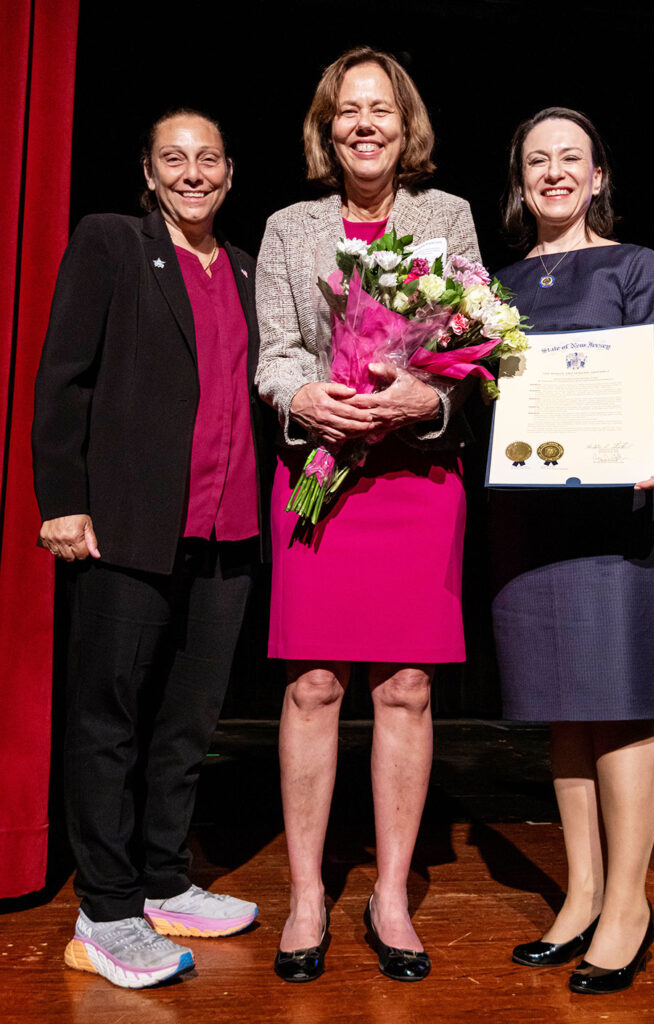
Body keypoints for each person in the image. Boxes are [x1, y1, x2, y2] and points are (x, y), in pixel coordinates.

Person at [32, 109, 271, 989]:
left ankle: (164, 878)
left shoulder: (248, 269)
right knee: (110, 720)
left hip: (230, 526)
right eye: (175, 159)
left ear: (231, 172)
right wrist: (62, 499)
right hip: (129, 523)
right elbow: (63, 375)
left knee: (189, 723)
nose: (193, 172)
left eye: (208, 158)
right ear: (149, 170)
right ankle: (105, 907)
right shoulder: (111, 243)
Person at [255, 46, 480, 983]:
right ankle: (308, 895)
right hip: (320, 472)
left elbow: (474, 345)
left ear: (404, 121)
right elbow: (272, 353)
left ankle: (389, 895)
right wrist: (305, 397)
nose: (364, 124)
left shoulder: (447, 216)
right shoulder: (288, 225)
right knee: (312, 684)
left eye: (379, 109)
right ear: (326, 125)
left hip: (413, 482)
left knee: (406, 689)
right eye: (347, 110)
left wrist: (421, 402)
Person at [490, 107, 654, 994]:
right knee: (563, 710)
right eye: (536, 160)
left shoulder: (631, 263)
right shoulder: (492, 283)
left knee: (616, 707)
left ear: (597, 175)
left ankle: (627, 906)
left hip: (615, 515)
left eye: (569, 158)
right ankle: (579, 895)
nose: (553, 172)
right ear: (520, 178)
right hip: (527, 518)